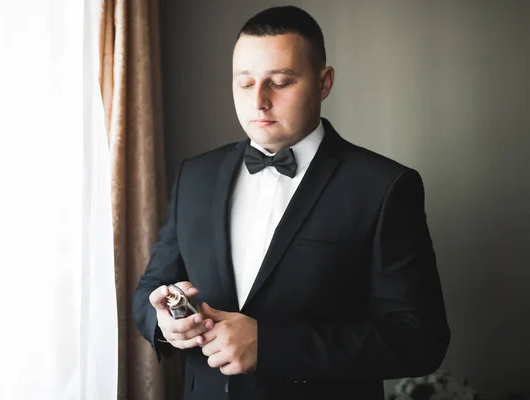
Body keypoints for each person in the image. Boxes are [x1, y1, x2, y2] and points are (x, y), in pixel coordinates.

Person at [133, 5, 450, 400]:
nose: (259, 101)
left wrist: (271, 347)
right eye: (245, 83)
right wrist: (164, 322)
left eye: (280, 82)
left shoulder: (384, 187)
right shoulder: (195, 175)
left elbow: (420, 339)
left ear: (324, 83)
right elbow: (151, 286)